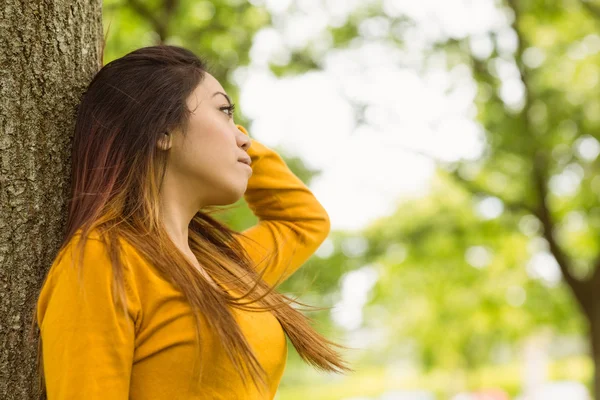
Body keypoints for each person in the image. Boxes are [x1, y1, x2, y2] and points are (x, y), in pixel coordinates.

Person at [32, 45, 353, 399]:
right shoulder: (103, 260)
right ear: (162, 128)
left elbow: (303, 220)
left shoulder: (227, 266)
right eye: (224, 111)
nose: (244, 137)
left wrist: (233, 141)